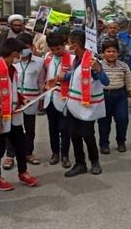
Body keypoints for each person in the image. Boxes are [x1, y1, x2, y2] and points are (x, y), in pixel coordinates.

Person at [46, 30, 110, 177]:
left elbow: (106, 82)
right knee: (74, 134)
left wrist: (99, 70)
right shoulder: (77, 60)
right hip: (73, 105)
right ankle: (80, 163)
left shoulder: (92, 61)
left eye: (68, 44)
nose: (67, 46)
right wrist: (59, 78)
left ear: (75, 45)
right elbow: (75, 74)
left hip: (87, 107)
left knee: (87, 135)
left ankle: (94, 162)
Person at [0, 37, 38, 191]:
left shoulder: (12, 70)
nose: (21, 57)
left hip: (14, 115)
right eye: (19, 54)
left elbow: (13, 89)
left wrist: (22, 99)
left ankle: (23, 173)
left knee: (20, 146)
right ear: (14, 53)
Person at [3, 33, 45, 166]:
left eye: (26, 47)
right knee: (12, 128)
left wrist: (41, 100)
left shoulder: (39, 62)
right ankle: (10, 155)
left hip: (31, 100)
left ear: (32, 46)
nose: (24, 51)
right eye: (20, 49)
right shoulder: (12, 62)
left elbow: (41, 81)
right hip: (14, 100)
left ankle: (28, 153)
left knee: (30, 128)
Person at [98, 40, 131, 154]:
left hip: (120, 96)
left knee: (122, 119)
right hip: (104, 96)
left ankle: (121, 142)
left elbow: (129, 82)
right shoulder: (98, 66)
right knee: (104, 122)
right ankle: (104, 144)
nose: (111, 54)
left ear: (118, 53)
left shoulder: (123, 66)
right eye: (108, 51)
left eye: (114, 51)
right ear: (103, 53)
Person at [42, 33, 73, 168]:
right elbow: (43, 75)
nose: (56, 52)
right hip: (49, 98)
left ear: (64, 45)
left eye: (59, 49)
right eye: (53, 49)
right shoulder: (47, 57)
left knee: (65, 128)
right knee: (52, 128)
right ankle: (55, 153)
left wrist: (64, 77)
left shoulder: (72, 59)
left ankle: (65, 154)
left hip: (65, 98)